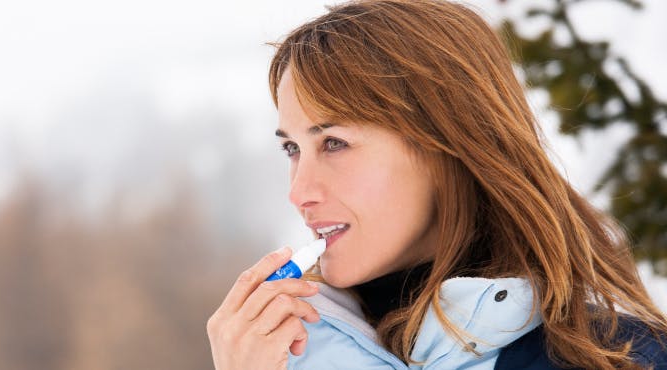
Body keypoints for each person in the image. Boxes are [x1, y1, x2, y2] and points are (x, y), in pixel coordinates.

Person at [205, 0, 667, 369]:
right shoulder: (288, 353)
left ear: (446, 146)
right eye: (292, 149)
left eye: (334, 143)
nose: (299, 191)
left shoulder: (620, 358)